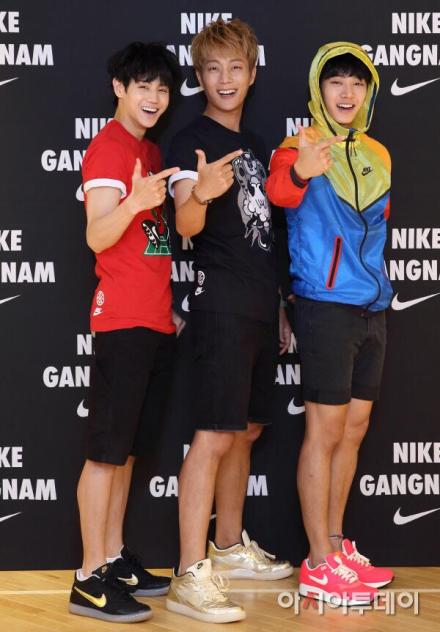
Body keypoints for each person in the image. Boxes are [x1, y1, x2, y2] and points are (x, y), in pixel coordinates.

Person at [166, 18, 293, 624]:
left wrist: (281, 304)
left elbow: (265, 236)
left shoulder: (261, 145)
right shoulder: (189, 140)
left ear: (251, 73)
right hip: (218, 303)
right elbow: (185, 224)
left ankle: (227, 547)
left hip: (260, 304)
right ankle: (189, 573)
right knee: (215, 434)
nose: (225, 79)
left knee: (246, 428)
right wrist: (202, 192)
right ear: (199, 76)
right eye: (213, 68)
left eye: (235, 67)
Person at [266, 42, 394, 606]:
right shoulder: (298, 145)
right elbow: (277, 193)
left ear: (368, 92)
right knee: (324, 431)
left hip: (373, 306)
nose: (347, 92)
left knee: (354, 429)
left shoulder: (379, 153)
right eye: (336, 81)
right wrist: (300, 169)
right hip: (324, 304)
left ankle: (337, 548)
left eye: (357, 82)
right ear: (319, 89)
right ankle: (318, 562)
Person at [68, 41, 182, 623]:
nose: (154, 98)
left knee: (129, 453)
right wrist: (135, 200)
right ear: (119, 88)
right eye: (143, 86)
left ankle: (112, 558)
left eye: (162, 88)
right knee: (106, 454)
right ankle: (88, 578)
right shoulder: (110, 147)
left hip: (154, 318)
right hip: (122, 319)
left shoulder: (149, 149)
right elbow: (97, 234)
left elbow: (150, 246)